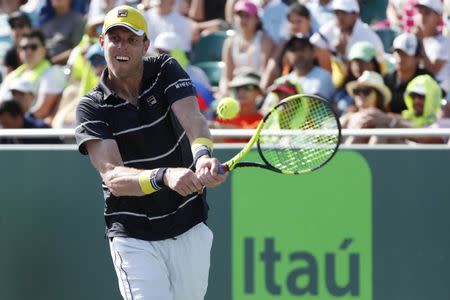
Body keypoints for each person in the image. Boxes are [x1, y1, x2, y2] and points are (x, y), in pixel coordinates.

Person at [75, 6, 227, 300]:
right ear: (101, 43)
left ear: (145, 46)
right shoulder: (90, 107)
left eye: (131, 40)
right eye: (115, 38)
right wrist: (164, 176)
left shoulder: (165, 69)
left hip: (188, 223)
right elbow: (113, 176)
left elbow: (193, 121)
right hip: (133, 236)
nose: (122, 47)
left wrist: (203, 158)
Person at [383, 32, 432, 113]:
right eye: (397, 52)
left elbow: (424, 117)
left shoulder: (427, 81)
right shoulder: (386, 79)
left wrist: (392, 120)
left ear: (418, 58)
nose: (400, 57)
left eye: (405, 53)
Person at [340, 70, 393, 144]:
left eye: (366, 91)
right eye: (357, 91)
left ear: (378, 96)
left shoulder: (387, 120)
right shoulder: (346, 118)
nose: (361, 95)